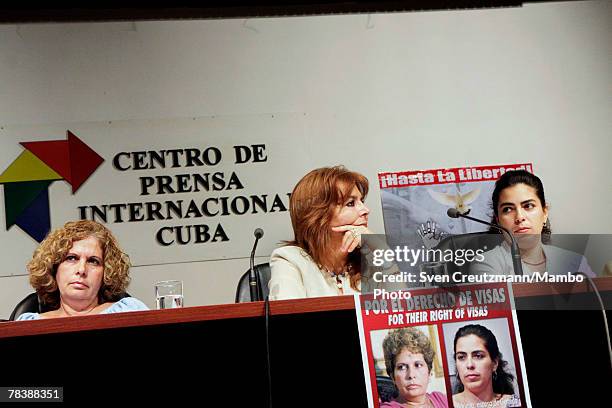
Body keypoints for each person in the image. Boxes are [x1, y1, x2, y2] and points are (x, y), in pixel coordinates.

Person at [269, 165, 394, 300]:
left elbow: (404, 310)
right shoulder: (290, 259)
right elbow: (287, 318)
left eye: (362, 201)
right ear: (318, 215)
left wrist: (381, 248)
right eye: (351, 203)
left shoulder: (372, 258)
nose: (365, 210)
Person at [470, 170, 594, 277]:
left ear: (545, 213)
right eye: (508, 209)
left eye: (528, 206)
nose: (519, 217)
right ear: (498, 220)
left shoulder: (575, 262)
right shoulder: (486, 264)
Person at [16, 220, 148, 320]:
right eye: (72, 258)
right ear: (54, 268)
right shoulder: (28, 322)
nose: (81, 269)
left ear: (106, 273)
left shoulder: (129, 311)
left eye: (93, 261)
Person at [452, 324, 520, 408]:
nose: (469, 365)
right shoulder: (445, 403)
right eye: (461, 357)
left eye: (478, 356)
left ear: (494, 363)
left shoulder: (512, 403)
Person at [381, 327, 449, 408]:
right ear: (393, 376)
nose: (411, 375)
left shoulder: (441, 399)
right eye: (402, 367)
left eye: (418, 365)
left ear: (429, 371)